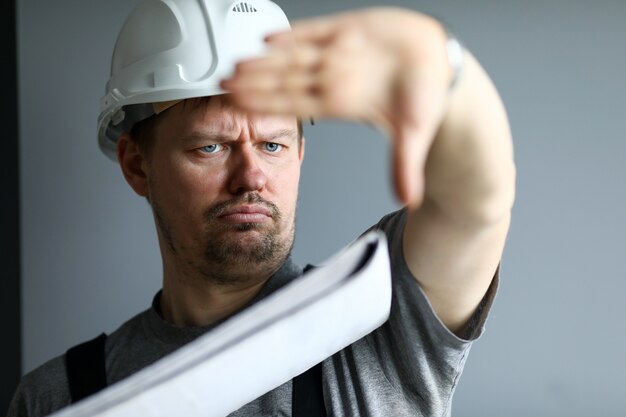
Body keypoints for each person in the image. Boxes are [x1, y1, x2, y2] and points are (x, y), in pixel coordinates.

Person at [7, 1, 515, 416]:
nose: (251, 177)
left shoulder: (379, 322)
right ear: (137, 165)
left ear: (299, 152)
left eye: (272, 145)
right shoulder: (57, 396)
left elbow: (476, 207)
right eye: (211, 147)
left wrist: (445, 73)